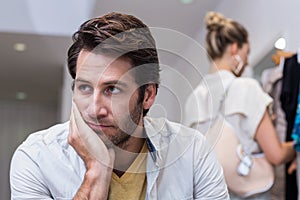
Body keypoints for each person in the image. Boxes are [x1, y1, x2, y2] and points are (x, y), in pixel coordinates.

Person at [10, 12, 229, 199]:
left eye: (112, 89)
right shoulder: (37, 158)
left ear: (148, 95)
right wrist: (95, 174)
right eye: (85, 87)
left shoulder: (192, 152)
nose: (95, 110)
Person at [184, 11, 296, 199]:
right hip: (250, 192)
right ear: (235, 48)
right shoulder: (245, 87)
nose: (247, 60)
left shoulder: (192, 98)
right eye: (247, 52)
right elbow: (276, 154)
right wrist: (296, 145)